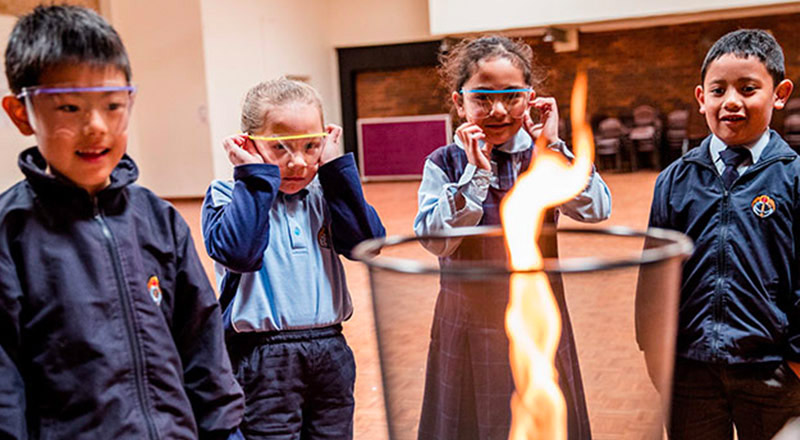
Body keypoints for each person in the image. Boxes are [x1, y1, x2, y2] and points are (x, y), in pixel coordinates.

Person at [0, 5, 244, 439]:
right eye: (70, 108)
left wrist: (224, 431)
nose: (96, 127)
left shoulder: (159, 220)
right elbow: (6, 387)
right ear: (22, 114)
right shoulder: (11, 233)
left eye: (113, 106)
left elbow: (202, 343)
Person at [413, 35, 611, 440]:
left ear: (531, 99)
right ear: (459, 102)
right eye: (482, 98)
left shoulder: (545, 158)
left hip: (539, 319)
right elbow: (434, 240)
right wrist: (476, 176)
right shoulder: (444, 163)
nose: (498, 110)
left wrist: (554, 147)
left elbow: (598, 209)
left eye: (511, 96)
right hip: (467, 321)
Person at [202, 78, 386, 439]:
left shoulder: (325, 194)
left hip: (331, 350)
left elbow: (367, 242)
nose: (298, 161)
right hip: (263, 358)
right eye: (280, 147)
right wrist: (256, 178)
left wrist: (336, 173)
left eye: (311, 146)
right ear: (248, 143)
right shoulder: (226, 195)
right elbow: (240, 253)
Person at [642, 29, 800, 439]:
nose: (731, 101)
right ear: (701, 98)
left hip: (772, 371)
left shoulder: (794, 177)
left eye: (748, 88)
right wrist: (654, 349)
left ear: (779, 93)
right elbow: (654, 275)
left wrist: (797, 359)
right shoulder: (675, 180)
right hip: (689, 371)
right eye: (718, 90)